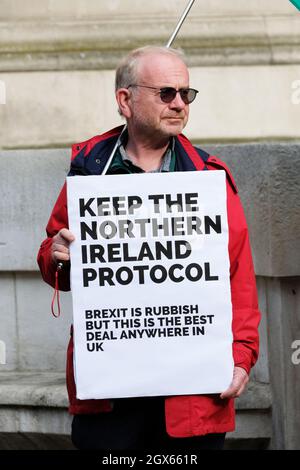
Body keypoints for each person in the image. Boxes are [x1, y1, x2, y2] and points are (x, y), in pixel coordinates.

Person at [37, 46, 260, 451]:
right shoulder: (90, 172)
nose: (179, 104)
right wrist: (55, 254)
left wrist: (242, 357)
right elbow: (57, 264)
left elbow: (238, 278)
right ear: (125, 100)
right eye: (166, 93)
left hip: (192, 399)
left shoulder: (209, 179)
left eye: (186, 95)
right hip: (110, 396)